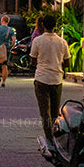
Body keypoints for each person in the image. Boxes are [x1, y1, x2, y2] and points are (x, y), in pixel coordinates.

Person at [30, 14, 69, 144]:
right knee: (54, 110)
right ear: (55, 25)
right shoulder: (62, 42)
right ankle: (55, 134)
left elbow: (33, 60)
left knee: (44, 111)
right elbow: (67, 62)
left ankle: (49, 138)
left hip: (41, 78)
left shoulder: (38, 41)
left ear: (43, 25)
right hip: (57, 79)